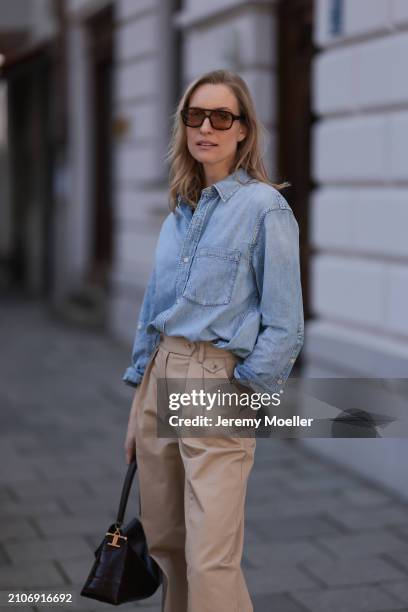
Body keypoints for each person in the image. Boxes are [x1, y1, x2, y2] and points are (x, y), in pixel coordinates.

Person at [123, 69, 304, 612]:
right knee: (167, 546)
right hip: (161, 376)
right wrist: (137, 402)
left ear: (244, 129)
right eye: (194, 116)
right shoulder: (178, 212)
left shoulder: (264, 209)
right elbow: (153, 313)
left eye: (221, 116)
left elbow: (286, 324)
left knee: (211, 558)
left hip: (217, 382)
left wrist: (244, 394)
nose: (206, 127)